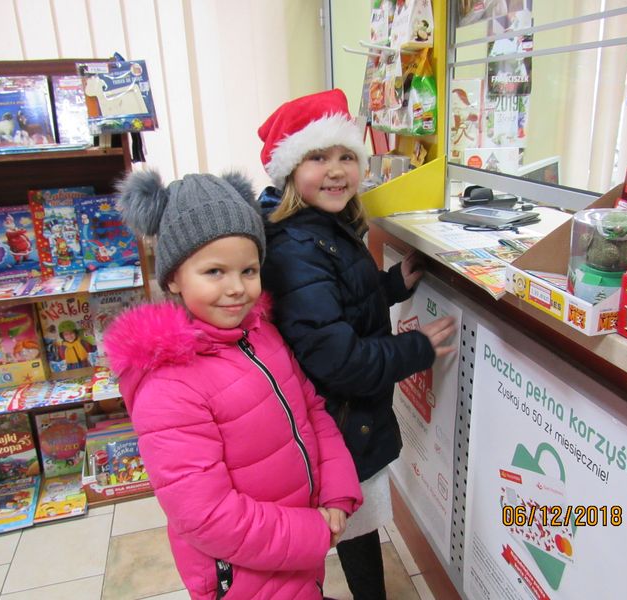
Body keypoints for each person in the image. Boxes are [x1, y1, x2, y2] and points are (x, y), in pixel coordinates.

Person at [104, 169, 363, 600]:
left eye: (249, 270)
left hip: (293, 554)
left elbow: (312, 411)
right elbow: (207, 516)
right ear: (173, 278)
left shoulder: (262, 334)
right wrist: (312, 531)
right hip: (245, 576)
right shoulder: (168, 387)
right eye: (214, 272)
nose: (236, 289)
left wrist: (336, 490)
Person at [257, 89, 456, 599]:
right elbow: (340, 359)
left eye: (346, 156)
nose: (336, 170)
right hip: (337, 419)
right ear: (289, 171)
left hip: (344, 417)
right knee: (344, 523)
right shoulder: (297, 247)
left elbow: (337, 305)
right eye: (317, 157)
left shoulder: (322, 228)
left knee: (355, 524)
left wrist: (391, 285)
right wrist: (416, 349)